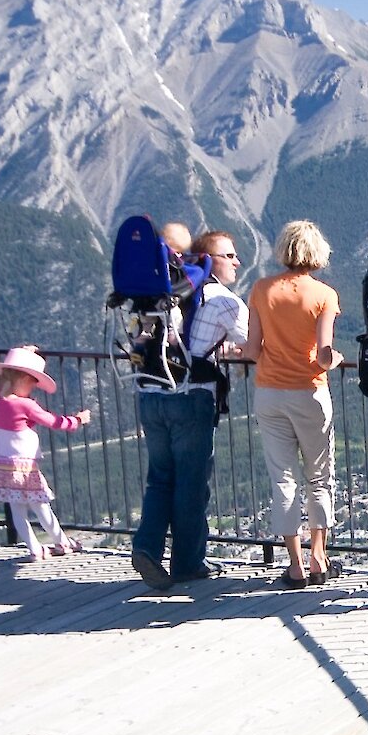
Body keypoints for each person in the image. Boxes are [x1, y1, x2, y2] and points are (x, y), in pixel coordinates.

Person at [132, 228, 248, 589]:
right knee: (191, 483)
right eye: (229, 255)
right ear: (211, 259)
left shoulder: (161, 294)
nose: (237, 262)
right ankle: (187, 563)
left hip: (151, 392)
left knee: (160, 478)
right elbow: (253, 345)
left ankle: (147, 547)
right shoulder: (224, 301)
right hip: (191, 395)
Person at [247, 220, 344, 589]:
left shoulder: (260, 290)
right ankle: (319, 555)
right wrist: (336, 360)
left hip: (269, 394)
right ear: (316, 252)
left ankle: (295, 565)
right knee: (318, 476)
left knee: (282, 479)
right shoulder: (323, 294)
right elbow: (322, 357)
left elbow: (253, 350)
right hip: (310, 393)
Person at [0, 346, 92, 560]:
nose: (35, 388)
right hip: (25, 468)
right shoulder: (26, 405)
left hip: (4, 466)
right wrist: (78, 420)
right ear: (24, 378)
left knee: (18, 511)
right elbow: (54, 422)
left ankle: (35, 549)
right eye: (33, 382)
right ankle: (62, 542)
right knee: (41, 506)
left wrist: (24, 353)